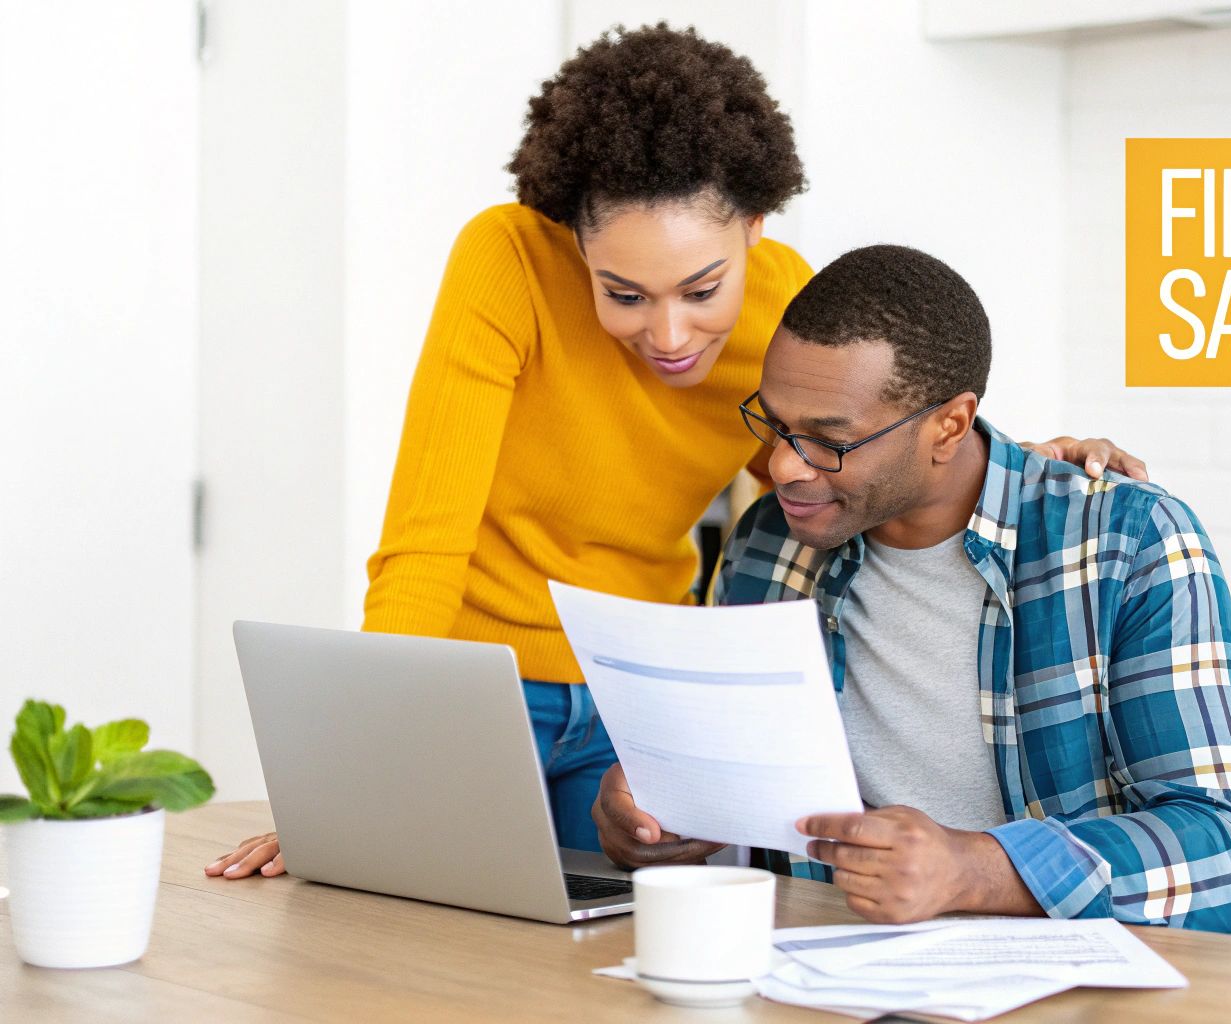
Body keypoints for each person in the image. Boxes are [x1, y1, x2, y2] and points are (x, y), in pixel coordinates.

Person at [206, 25, 1143, 881]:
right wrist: (353, 770)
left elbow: (835, 470)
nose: (669, 334)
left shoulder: (785, 304)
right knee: (411, 944)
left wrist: (999, 465)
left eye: (702, 289)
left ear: (755, 230)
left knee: (620, 961)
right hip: (480, 689)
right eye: (624, 293)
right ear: (576, 244)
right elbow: (422, 544)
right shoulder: (507, 263)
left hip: (639, 699)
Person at [593, 245, 1231, 934]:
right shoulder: (768, 543)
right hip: (823, 973)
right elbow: (747, 816)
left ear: (948, 425)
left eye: (828, 441)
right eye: (775, 424)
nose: (782, 467)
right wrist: (663, 818)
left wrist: (973, 870)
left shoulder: (1127, 542)